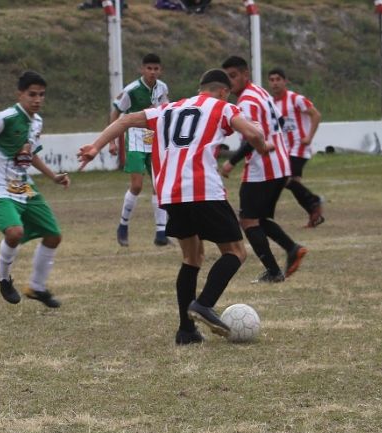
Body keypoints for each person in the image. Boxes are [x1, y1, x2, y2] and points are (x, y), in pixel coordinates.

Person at [78, 69, 273, 345]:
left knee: (191, 258)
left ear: (199, 87)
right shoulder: (222, 106)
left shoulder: (166, 109)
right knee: (236, 252)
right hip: (203, 190)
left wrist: (96, 147)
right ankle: (204, 304)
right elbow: (251, 132)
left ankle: (186, 331)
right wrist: (263, 145)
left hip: (170, 193)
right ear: (223, 91)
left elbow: (126, 119)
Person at [0, 71, 70, 308]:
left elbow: (31, 154)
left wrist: (53, 177)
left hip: (24, 186)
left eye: (41, 95)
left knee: (53, 236)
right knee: (14, 232)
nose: (37, 99)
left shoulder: (37, 121)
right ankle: (4, 278)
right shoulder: (4, 118)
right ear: (20, 94)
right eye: (32, 94)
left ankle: (37, 287)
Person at [221, 56, 308, 283]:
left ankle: (274, 270)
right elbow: (276, 121)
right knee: (255, 219)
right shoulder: (260, 92)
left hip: (263, 167)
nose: (230, 82)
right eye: (227, 78)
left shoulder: (247, 102)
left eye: (233, 76)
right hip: (279, 163)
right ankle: (292, 249)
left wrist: (232, 161)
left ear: (245, 74)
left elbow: (252, 136)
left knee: (248, 221)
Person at [108, 53, 170, 247]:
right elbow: (117, 111)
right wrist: (112, 141)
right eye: (149, 68)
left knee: (159, 185)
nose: (152, 72)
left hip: (155, 139)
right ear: (142, 69)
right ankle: (123, 225)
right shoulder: (132, 90)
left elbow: (166, 107)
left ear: (160, 70)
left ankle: (161, 232)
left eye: (156, 68)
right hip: (135, 138)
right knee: (136, 185)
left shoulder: (162, 88)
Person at [267, 68, 325, 227]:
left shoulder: (296, 99)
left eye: (278, 79)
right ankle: (314, 212)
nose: (275, 83)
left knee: (286, 179)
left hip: (299, 147)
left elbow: (316, 115)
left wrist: (309, 136)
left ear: (285, 81)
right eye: (271, 80)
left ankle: (314, 202)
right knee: (294, 183)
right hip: (284, 149)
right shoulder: (271, 103)